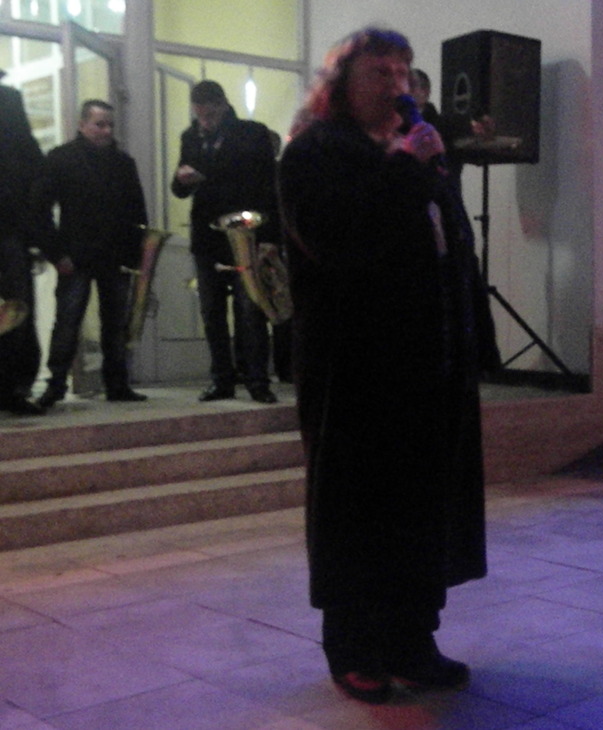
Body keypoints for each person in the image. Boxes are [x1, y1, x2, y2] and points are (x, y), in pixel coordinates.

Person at [278, 27, 500, 704]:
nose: (398, 85)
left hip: (428, 363)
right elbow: (336, 240)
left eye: (404, 72)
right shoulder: (314, 151)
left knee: (421, 510)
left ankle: (411, 641)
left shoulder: (417, 150)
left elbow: (449, 247)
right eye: (381, 72)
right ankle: (353, 647)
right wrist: (406, 167)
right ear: (341, 83)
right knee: (358, 509)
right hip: (356, 368)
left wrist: (473, 339)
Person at [33, 100, 149, 408]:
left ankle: (117, 384)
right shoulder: (61, 159)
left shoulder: (123, 163)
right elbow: (40, 210)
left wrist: (135, 254)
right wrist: (56, 253)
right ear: (82, 125)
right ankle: (56, 384)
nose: (107, 130)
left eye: (110, 125)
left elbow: (137, 211)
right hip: (76, 255)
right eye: (100, 124)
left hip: (115, 255)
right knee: (67, 322)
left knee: (116, 325)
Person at [171, 80, 278, 404]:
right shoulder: (191, 137)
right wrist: (181, 180)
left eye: (210, 116)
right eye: (199, 116)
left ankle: (258, 381)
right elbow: (179, 190)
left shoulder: (252, 133)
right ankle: (222, 380)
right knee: (211, 313)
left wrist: (270, 239)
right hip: (208, 237)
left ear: (222, 105)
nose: (204, 122)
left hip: (245, 234)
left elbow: (266, 186)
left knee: (250, 311)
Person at [0, 70, 45, 415]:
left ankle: (13, 387)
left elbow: (31, 169)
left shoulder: (8, 102)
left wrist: (34, 234)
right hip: (11, 229)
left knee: (16, 309)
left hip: (9, 227)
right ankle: (14, 389)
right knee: (16, 307)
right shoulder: (10, 102)